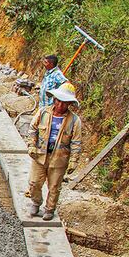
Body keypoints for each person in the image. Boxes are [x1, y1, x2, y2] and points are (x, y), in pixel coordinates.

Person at [27, 82, 82, 221]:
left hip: (59, 158)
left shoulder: (74, 121)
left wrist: (74, 161)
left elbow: (76, 142)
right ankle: (36, 202)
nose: (60, 105)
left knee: (54, 186)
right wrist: (32, 145)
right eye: (59, 101)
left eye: (65, 103)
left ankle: (49, 209)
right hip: (40, 155)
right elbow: (33, 129)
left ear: (69, 104)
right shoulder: (43, 113)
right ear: (54, 99)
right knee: (34, 182)